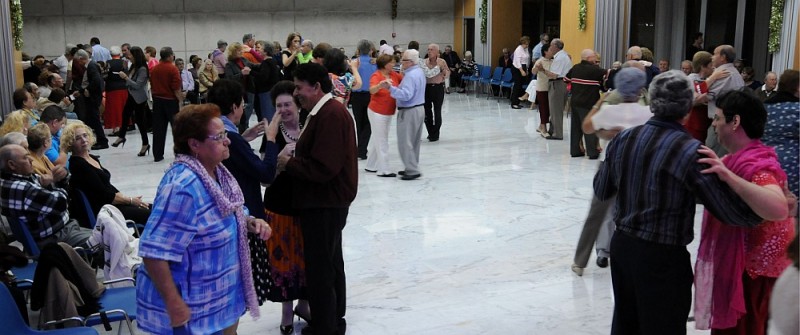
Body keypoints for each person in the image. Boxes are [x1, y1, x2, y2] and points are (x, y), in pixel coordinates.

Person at [594, 70, 764, 335]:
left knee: (626, 321)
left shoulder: (623, 139)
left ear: (652, 104)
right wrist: (764, 214)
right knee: (663, 325)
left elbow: (602, 190)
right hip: (662, 257)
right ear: (687, 109)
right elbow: (725, 210)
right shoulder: (689, 151)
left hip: (623, 247)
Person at [136, 104, 272, 335]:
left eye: (226, 135)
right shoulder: (182, 188)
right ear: (194, 144)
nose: (227, 141)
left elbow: (226, 213)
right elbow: (153, 252)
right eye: (219, 137)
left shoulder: (219, 174)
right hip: (192, 312)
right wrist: (174, 304)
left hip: (221, 302)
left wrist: (248, 222)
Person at [693, 89, 794, 335]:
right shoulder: (738, 159)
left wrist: (728, 176)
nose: (714, 124)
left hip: (754, 277)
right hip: (746, 271)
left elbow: (779, 208)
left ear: (735, 121)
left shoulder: (756, 165)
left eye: (717, 118)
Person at [275, 63, 356, 335]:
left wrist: (289, 163)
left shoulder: (331, 114)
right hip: (323, 202)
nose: (296, 93)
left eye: (299, 87)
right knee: (330, 264)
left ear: (316, 87)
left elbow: (324, 168)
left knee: (322, 270)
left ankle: (326, 327)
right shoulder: (321, 112)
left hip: (325, 204)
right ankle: (332, 321)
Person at [572, 67, 652, 276]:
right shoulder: (648, 113)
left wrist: (599, 104)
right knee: (637, 214)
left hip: (609, 165)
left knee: (596, 213)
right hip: (638, 168)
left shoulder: (609, 111)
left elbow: (587, 127)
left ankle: (580, 262)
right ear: (640, 88)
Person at [262, 81, 310, 335]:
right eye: (279, 106)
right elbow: (264, 176)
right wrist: (279, 158)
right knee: (283, 262)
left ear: (298, 104)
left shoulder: (311, 126)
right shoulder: (272, 134)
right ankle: (285, 310)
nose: (284, 109)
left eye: (287, 104)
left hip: (308, 205)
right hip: (279, 206)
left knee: (306, 259)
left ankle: (304, 304)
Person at [0, 144, 90, 249]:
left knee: (105, 233)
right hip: (55, 238)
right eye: (25, 157)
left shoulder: (13, 179)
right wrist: (58, 185)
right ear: (11, 165)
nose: (31, 160)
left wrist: (62, 176)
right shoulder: (23, 189)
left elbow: (49, 181)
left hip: (60, 231)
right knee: (106, 240)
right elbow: (61, 204)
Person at [61, 122, 152, 225]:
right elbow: (104, 195)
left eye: (85, 135)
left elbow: (107, 186)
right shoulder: (78, 165)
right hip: (104, 210)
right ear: (70, 143)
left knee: (153, 208)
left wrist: (128, 199)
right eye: (78, 138)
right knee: (152, 214)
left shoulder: (92, 158)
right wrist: (130, 200)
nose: (83, 140)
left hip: (111, 204)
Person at [762, 70, 799, 205]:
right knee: (790, 208)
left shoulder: (765, 107)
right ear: (797, 87)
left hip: (764, 162)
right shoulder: (797, 109)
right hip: (792, 166)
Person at [388, 49, 426, 180]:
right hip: (419, 108)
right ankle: (411, 166)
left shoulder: (410, 76)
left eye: (403, 60)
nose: (401, 62)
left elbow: (406, 95)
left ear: (410, 62)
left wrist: (391, 89)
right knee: (414, 141)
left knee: (405, 141)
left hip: (409, 110)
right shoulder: (419, 72)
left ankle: (412, 169)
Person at [365, 54, 403, 178]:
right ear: (385, 64)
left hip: (387, 111)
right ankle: (384, 169)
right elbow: (371, 90)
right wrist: (380, 85)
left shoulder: (394, 75)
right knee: (382, 140)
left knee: (378, 138)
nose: (393, 64)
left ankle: (371, 165)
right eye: (391, 62)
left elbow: (404, 79)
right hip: (377, 112)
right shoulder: (376, 75)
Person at [565, 49, 606, 159]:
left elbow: (566, 79)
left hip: (575, 102)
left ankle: (575, 151)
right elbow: (606, 81)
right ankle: (592, 152)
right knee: (590, 127)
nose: (595, 59)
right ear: (588, 58)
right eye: (594, 57)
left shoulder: (575, 68)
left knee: (576, 128)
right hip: (589, 103)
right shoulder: (596, 70)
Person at [149, 47, 184, 162]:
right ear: (170, 56)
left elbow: (152, 85)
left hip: (157, 101)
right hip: (170, 101)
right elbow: (176, 88)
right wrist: (180, 101)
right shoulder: (173, 69)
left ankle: (157, 155)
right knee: (177, 128)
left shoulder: (154, 69)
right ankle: (180, 152)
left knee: (158, 129)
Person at [116, 46, 151, 156]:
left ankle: (145, 144)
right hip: (132, 95)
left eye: (130, 54)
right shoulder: (133, 67)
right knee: (125, 114)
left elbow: (138, 85)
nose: (128, 56)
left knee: (140, 121)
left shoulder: (142, 69)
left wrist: (126, 78)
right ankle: (121, 136)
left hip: (139, 98)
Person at [72, 49, 109, 150]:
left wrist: (87, 89)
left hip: (92, 97)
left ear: (81, 59)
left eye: (78, 61)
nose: (78, 64)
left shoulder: (91, 66)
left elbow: (96, 80)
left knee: (95, 119)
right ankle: (97, 139)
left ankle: (102, 141)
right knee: (92, 119)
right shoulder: (91, 65)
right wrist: (81, 90)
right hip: (92, 95)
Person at [351, 39, 377, 160]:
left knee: (359, 122)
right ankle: (362, 149)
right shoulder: (375, 63)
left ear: (358, 50)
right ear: (371, 50)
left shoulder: (354, 63)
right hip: (370, 95)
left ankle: (361, 149)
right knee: (368, 123)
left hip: (356, 96)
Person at [225, 42, 258, 133]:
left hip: (249, 89)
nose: (240, 52)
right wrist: (241, 74)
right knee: (241, 116)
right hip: (238, 92)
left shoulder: (244, 60)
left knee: (248, 112)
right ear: (233, 52)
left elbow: (254, 66)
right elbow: (229, 79)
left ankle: (245, 131)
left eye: (241, 50)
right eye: (238, 50)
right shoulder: (229, 65)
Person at [544, 39, 571, 140]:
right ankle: (552, 130)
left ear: (555, 46)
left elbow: (554, 75)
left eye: (551, 45)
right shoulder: (562, 56)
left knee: (556, 110)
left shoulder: (560, 58)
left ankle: (557, 134)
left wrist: (543, 70)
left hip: (558, 84)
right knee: (553, 109)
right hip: (559, 84)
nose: (549, 47)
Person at [421, 44, 449, 141]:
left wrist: (444, 72)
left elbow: (447, 72)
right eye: (428, 49)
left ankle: (435, 133)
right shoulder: (424, 62)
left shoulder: (442, 62)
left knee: (437, 111)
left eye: (431, 50)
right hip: (426, 88)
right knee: (427, 112)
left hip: (438, 88)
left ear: (437, 52)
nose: (429, 51)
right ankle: (430, 131)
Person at [104, 46, 129, 136]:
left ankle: (116, 127)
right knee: (123, 107)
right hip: (123, 87)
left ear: (111, 54)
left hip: (112, 88)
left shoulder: (108, 63)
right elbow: (127, 74)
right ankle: (123, 126)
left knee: (114, 108)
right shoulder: (124, 62)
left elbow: (105, 75)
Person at [510, 36, 531, 109]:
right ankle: (513, 103)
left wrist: (527, 69)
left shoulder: (526, 49)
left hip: (524, 66)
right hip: (517, 68)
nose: (527, 45)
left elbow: (527, 59)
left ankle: (518, 101)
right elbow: (517, 61)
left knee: (520, 86)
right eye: (525, 44)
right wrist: (521, 70)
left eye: (528, 44)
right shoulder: (518, 49)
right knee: (517, 85)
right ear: (522, 43)